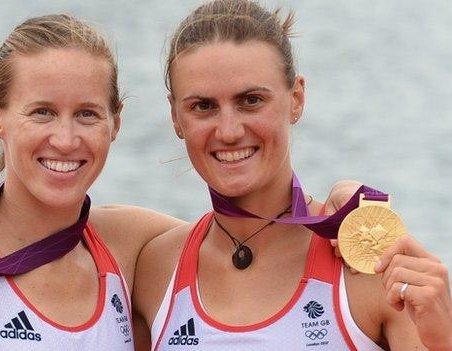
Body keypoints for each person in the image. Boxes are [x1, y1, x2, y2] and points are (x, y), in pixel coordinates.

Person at [0, 11, 366, 351]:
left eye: (86, 114)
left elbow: (258, 233)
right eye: (41, 112)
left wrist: (343, 209)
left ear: (116, 123)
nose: (65, 140)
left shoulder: (132, 247)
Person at [133, 1, 452, 350]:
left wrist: (442, 338)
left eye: (251, 100)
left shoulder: (371, 267)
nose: (228, 131)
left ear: (296, 98)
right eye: (203, 106)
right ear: (176, 117)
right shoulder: (153, 270)